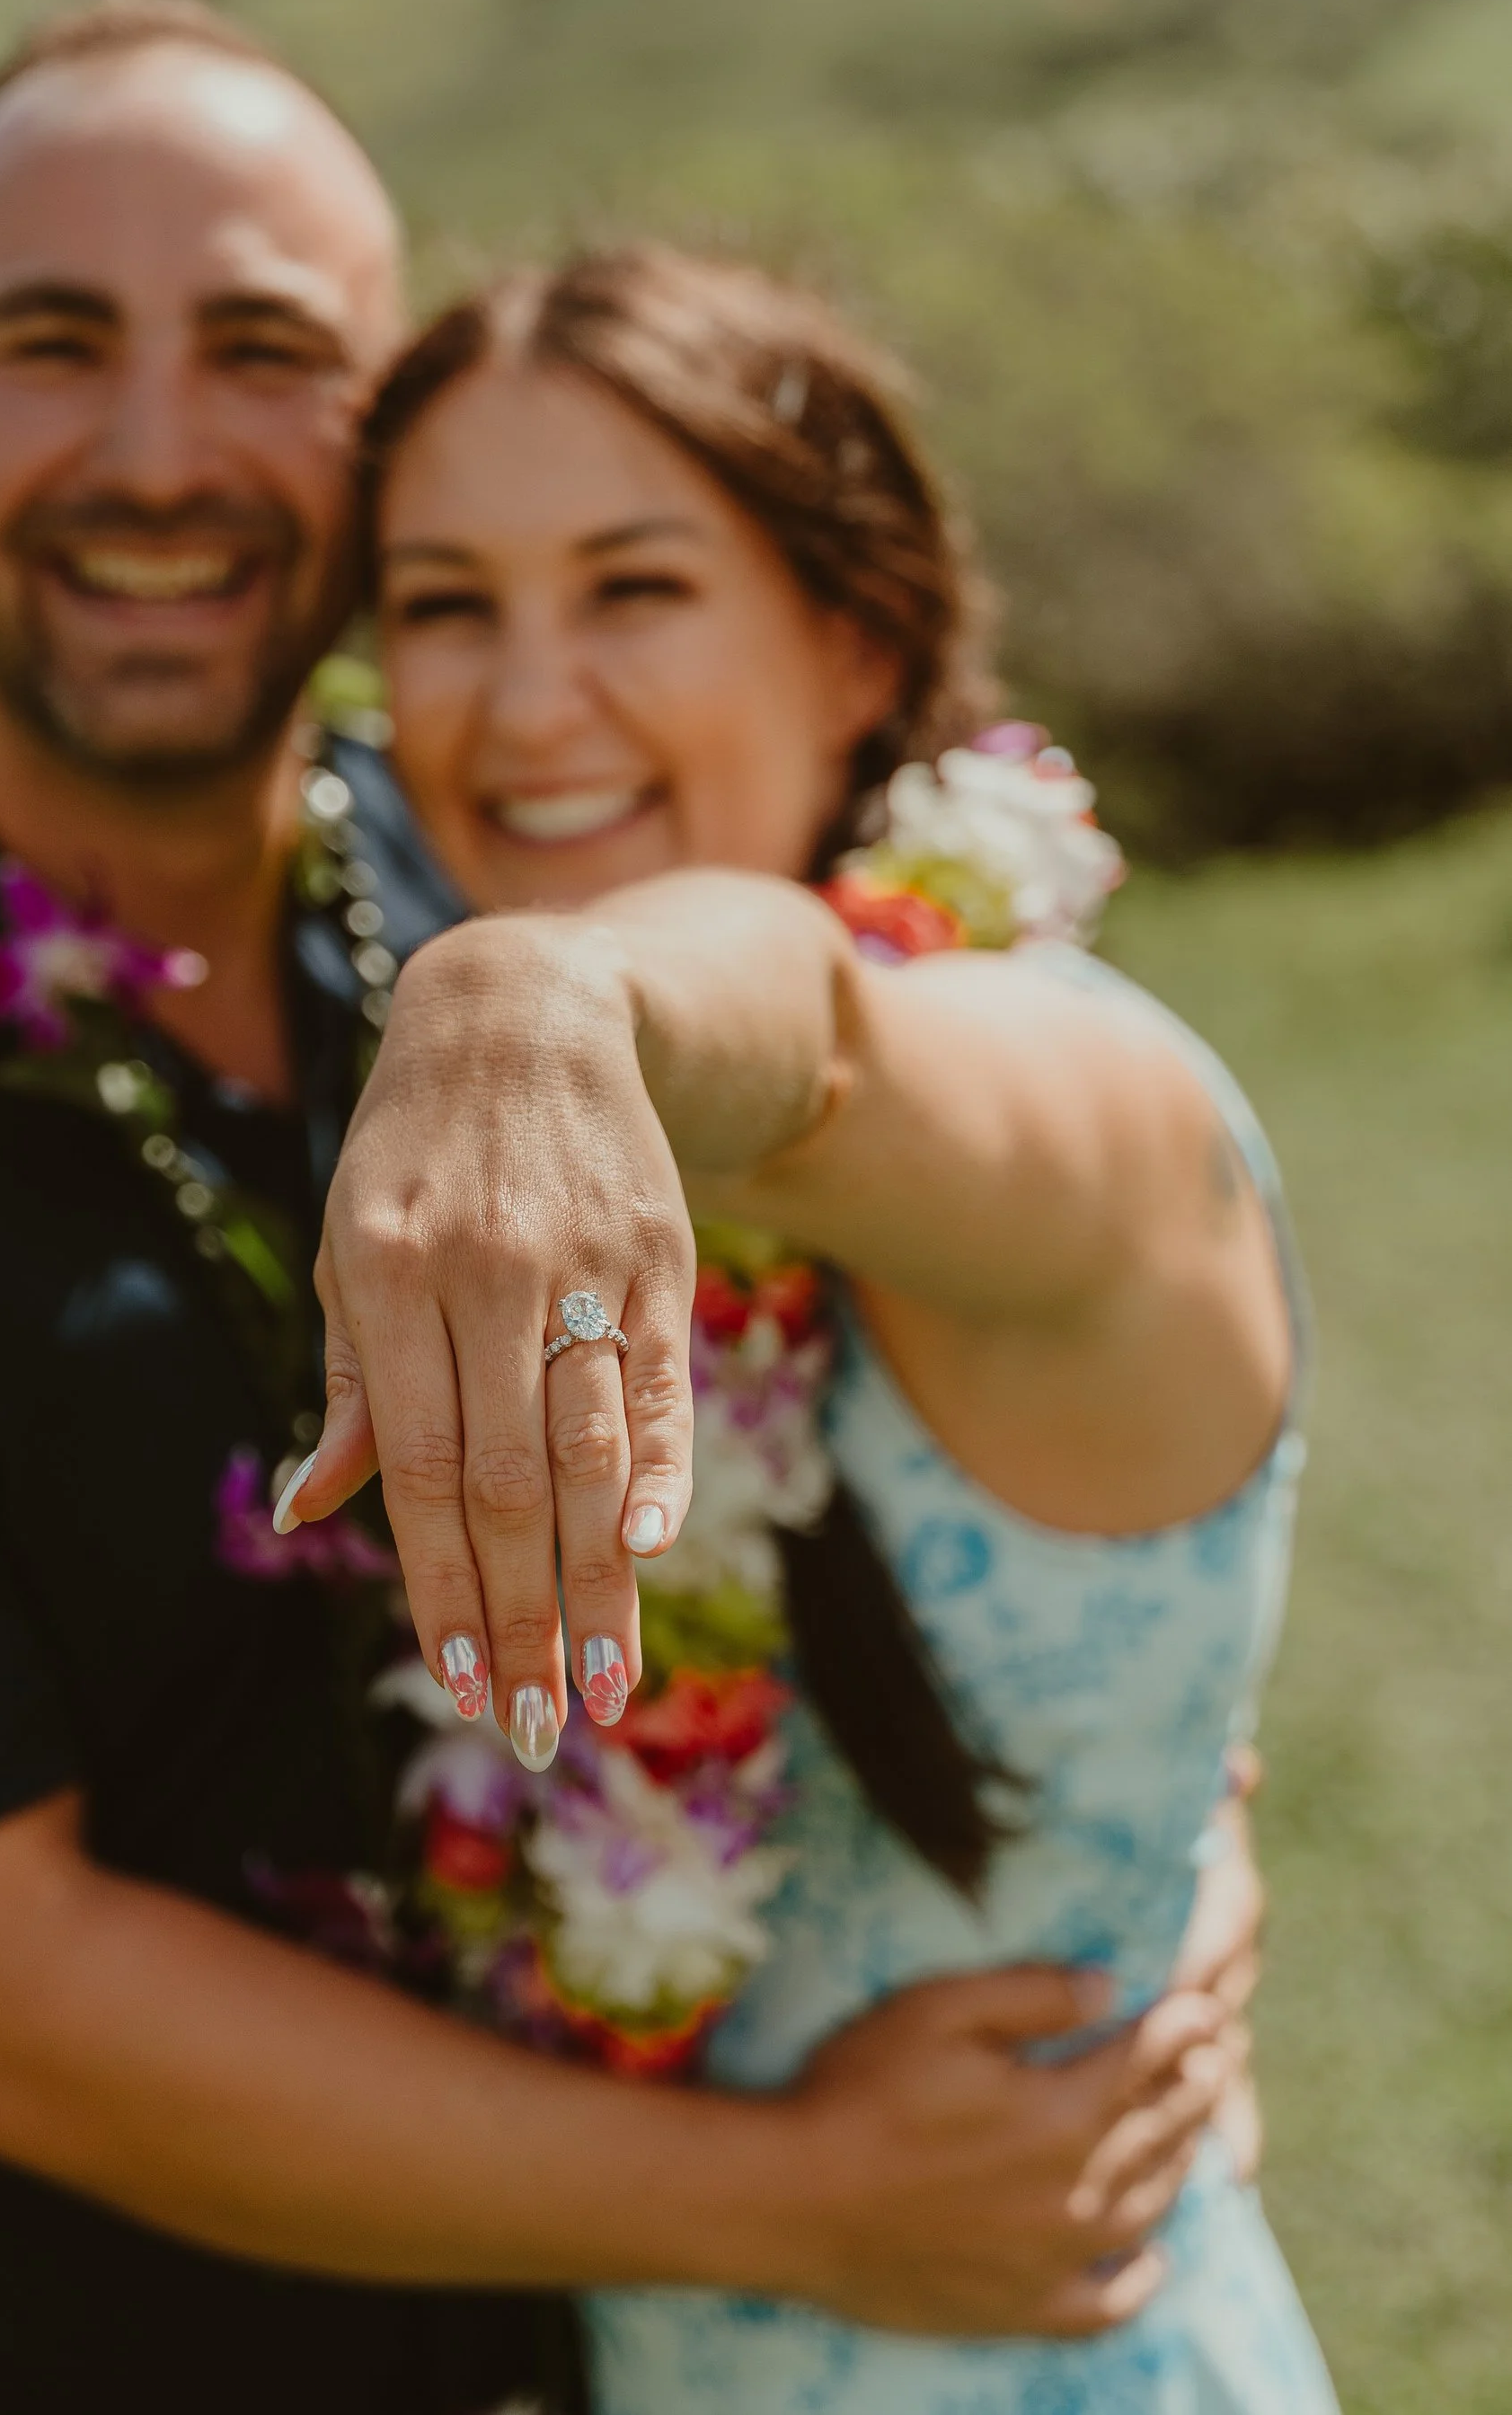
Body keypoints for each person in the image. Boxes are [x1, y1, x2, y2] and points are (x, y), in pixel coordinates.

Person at [0, 0, 1244, 2415]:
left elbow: (919, 1353)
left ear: (377, 426)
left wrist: (1129, 1880)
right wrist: (816, 2202)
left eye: (263, 346)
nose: (160, 448)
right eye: (51, 343)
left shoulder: (486, 869)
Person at [287, 245, 1335, 2409]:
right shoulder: (482, 1211)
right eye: (449, 602)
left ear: (853, 641)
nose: (526, 699)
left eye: (634, 586)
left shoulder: (1079, 1093)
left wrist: (540, 985)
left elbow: (828, 1045)